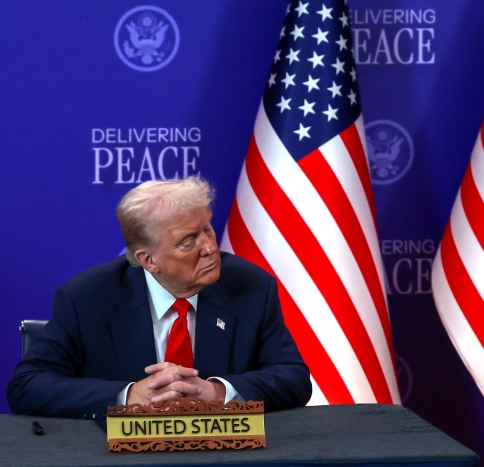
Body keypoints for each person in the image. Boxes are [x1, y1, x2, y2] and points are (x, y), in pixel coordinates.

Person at [7, 177, 311, 418]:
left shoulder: (251, 287)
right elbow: (27, 386)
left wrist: (218, 392)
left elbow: (293, 378)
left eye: (207, 229)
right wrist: (128, 397)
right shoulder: (87, 298)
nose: (208, 247)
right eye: (187, 241)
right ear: (148, 260)